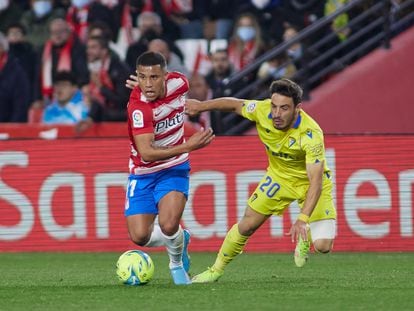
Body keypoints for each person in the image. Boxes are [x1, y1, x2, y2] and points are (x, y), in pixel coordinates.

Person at [185, 78, 337, 283]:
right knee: (247, 225)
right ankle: (215, 270)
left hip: (310, 183)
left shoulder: (311, 134)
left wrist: (302, 218)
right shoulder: (262, 110)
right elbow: (235, 104)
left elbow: (316, 181)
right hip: (279, 177)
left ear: (297, 109)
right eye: (274, 106)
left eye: (284, 108)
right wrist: (202, 106)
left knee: (323, 246)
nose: (276, 113)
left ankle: (306, 237)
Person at [124, 51, 214, 285]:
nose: (147, 83)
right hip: (143, 173)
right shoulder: (138, 108)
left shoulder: (180, 83)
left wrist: (187, 107)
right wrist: (189, 145)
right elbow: (147, 152)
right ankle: (180, 238)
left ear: (165, 76)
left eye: (153, 77)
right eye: (142, 77)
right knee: (139, 236)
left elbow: (177, 101)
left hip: (174, 168)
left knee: (168, 223)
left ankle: (176, 263)